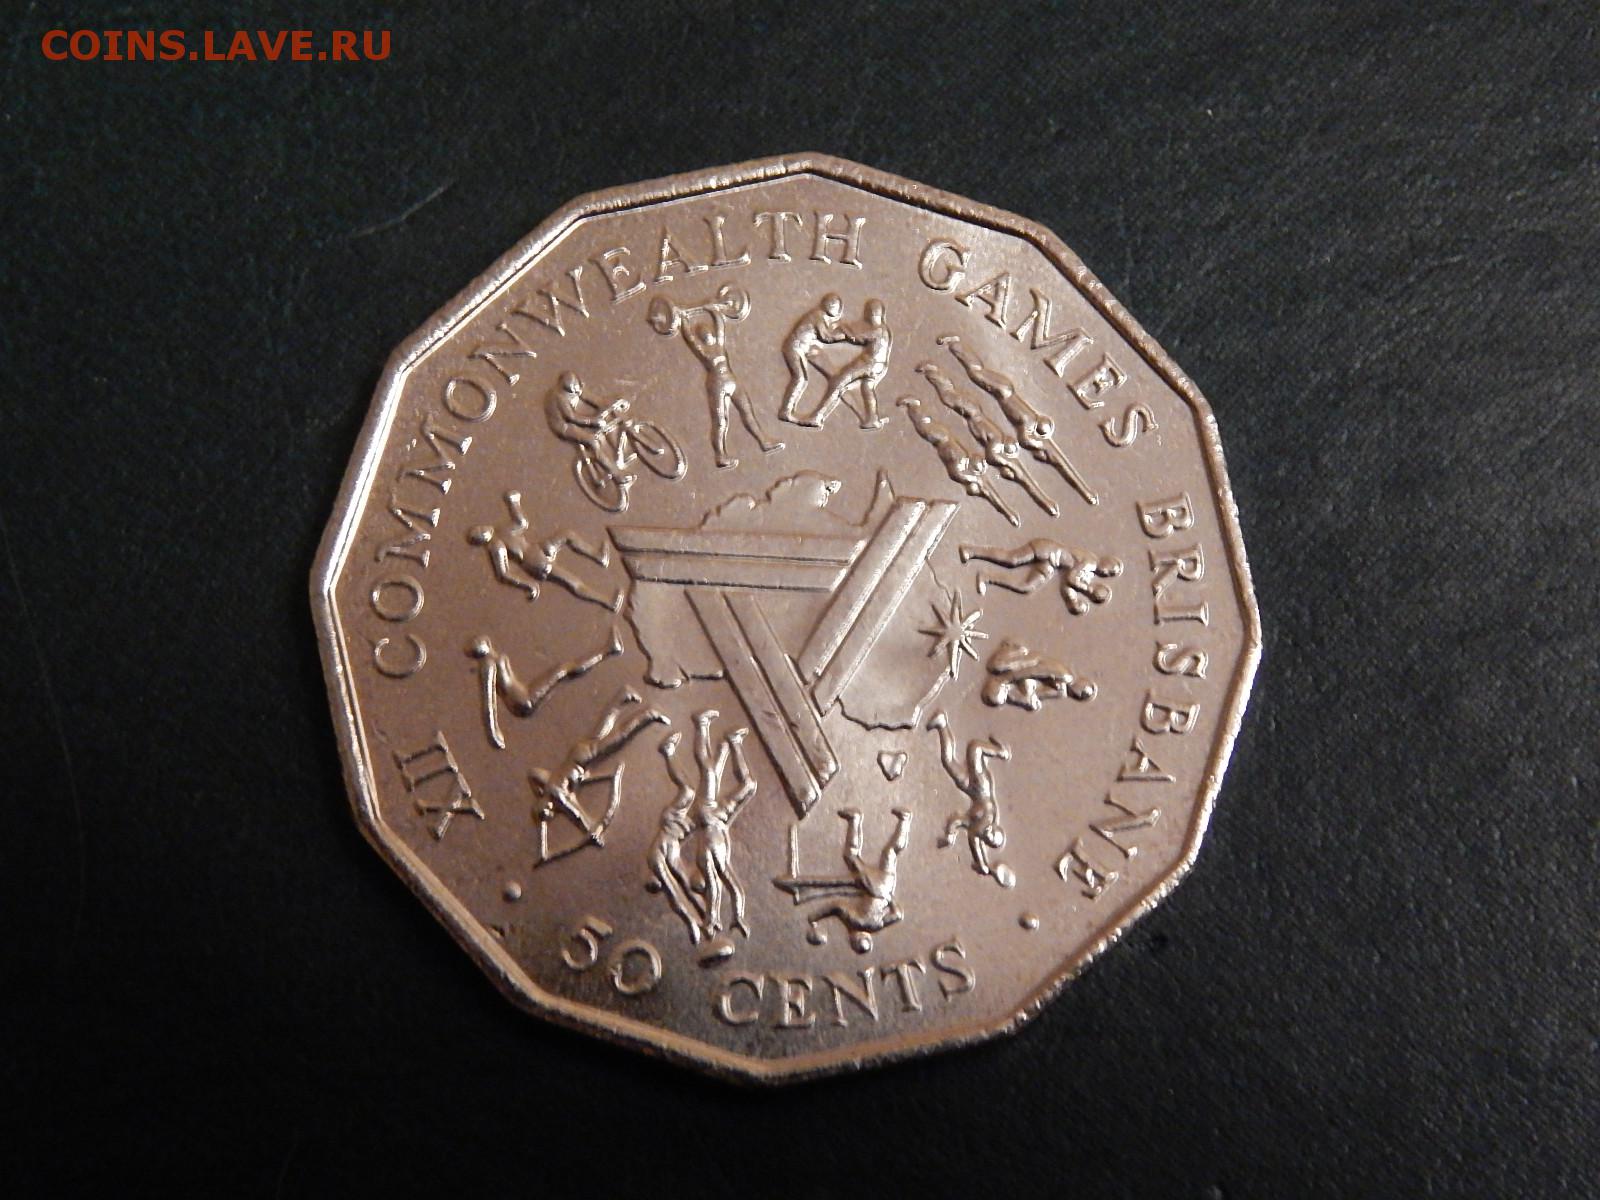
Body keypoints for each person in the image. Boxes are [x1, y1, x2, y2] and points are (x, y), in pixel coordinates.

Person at [938, 333, 1097, 505]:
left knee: (973, 379)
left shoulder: (1020, 434)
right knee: (976, 375)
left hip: (999, 398)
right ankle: (953, 348)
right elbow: (1055, 461)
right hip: (1003, 392)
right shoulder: (1025, 430)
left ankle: (949, 355)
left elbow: (1052, 461)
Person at [653, 288, 783, 469]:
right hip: (716, 385)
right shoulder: (703, 351)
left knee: (747, 412)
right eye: (703, 334)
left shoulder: (719, 345)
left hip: (731, 381)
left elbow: (720, 326)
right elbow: (690, 338)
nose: (707, 334)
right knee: (721, 422)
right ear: (702, 338)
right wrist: (684, 320)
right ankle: (720, 455)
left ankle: (763, 441)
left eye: (708, 332)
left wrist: (714, 310)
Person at [528, 690, 669, 852]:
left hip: (584, 759)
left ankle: (649, 714)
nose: (551, 812)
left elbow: (576, 814)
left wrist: (591, 831)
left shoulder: (556, 795)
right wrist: (539, 790)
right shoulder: (548, 784)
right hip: (577, 753)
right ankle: (622, 697)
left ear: (543, 805)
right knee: (604, 726)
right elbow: (533, 774)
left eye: (547, 811)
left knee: (620, 736)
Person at [468, 627, 623, 749]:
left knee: (563, 670)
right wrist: (493, 733)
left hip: (524, 694)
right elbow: (488, 700)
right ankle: (608, 650)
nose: (481, 642)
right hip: (523, 701)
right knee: (563, 670)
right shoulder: (487, 665)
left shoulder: (493, 658)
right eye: (477, 643)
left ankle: (608, 649)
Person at [467, 491, 622, 611]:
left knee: (567, 535)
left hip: (538, 548)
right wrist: (528, 585)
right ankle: (608, 602)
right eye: (479, 533)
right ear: (482, 540)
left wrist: (514, 504)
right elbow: (504, 574)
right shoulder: (496, 546)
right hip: (534, 563)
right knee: (574, 583)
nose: (482, 529)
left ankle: (599, 556)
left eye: (479, 528)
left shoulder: (502, 530)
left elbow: (521, 523)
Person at [803, 807, 914, 954]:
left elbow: (898, 914)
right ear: (854, 938)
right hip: (874, 888)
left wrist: (889, 898)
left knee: (890, 852)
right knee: (850, 856)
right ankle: (854, 819)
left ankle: (904, 820)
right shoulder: (856, 921)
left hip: (886, 886)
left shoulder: (877, 925)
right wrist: (814, 917)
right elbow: (836, 907)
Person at [927, 710, 1014, 887]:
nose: (989, 835)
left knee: (948, 762)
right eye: (994, 834)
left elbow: (958, 822)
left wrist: (949, 836)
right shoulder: (988, 817)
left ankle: (942, 725)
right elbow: (975, 840)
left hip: (969, 788)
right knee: (975, 748)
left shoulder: (974, 828)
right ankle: (1000, 752)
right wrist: (982, 863)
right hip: (981, 784)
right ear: (995, 827)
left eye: (990, 840)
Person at [646, 731, 706, 945]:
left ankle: (704, 918)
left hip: (672, 825)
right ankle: (668, 751)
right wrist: (693, 921)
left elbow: (685, 887)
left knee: (680, 885)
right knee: (675, 890)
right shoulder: (664, 858)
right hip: (672, 824)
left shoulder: (670, 855)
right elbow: (676, 894)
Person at [958, 539, 1122, 615]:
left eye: (1111, 574)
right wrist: (1088, 590)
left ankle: (986, 577)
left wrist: (1072, 602)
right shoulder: (1090, 563)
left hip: (1051, 564)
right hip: (1047, 550)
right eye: (1111, 569)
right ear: (1106, 561)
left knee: (1026, 587)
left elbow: (1067, 585)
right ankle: (971, 551)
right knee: (1012, 559)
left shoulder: (1087, 574)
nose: (1107, 573)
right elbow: (1072, 579)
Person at [805, 299, 892, 429]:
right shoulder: (882, 329)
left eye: (870, 313)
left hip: (869, 363)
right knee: (867, 388)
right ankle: (872, 419)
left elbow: (858, 337)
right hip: (878, 366)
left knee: (838, 382)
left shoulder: (879, 330)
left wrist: (843, 329)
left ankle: (817, 417)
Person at [778, 293, 847, 423]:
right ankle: (785, 411)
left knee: (802, 378)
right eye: (834, 305)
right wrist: (844, 336)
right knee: (800, 379)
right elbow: (825, 337)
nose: (836, 309)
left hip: (800, 348)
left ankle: (786, 411)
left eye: (837, 306)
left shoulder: (819, 316)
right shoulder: (817, 316)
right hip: (795, 348)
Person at [981, 638, 1096, 711]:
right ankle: (1012, 650)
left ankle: (999, 687)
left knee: (996, 699)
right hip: (1023, 663)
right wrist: (1007, 679)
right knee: (995, 666)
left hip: (1018, 680)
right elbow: (1035, 669)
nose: (1078, 694)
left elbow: (1035, 695)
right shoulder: (1065, 676)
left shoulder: (1060, 692)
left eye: (1080, 695)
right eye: (1082, 691)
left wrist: (1027, 701)